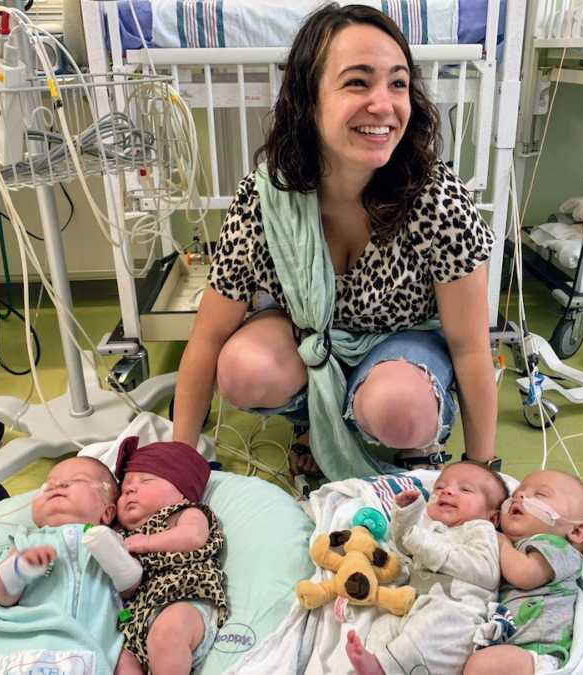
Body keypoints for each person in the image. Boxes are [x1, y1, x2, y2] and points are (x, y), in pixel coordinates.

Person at [171, 3, 498, 481]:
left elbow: (470, 347)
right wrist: (178, 458)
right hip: (311, 340)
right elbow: (209, 336)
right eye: (357, 82)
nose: (383, 105)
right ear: (309, 99)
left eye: (398, 83)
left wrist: (482, 468)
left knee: (397, 407)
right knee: (242, 369)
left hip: (404, 342)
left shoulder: (438, 199)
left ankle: (413, 436)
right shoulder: (267, 198)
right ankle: (314, 422)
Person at [346, 461, 509, 675]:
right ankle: (375, 662)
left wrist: (422, 542)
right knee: (383, 625)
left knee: (433, 627)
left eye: (465, 489)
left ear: (493, 516)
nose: (447, 491)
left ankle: (382, 668)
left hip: (458, 614)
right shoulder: (430, 528)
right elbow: (404, 545)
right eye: (439, 488)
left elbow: (484, 571)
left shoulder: (480, 529)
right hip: (414, 606)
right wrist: (405, 516)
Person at [0, 456, 123, 675]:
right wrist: (19, 568)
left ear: (107, 512)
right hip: (22, 652)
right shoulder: (26, 543)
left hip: (88, 654)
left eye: (78, 480)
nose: (58, 485)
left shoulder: (113, 544)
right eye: (49, 483)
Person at [100, 437, 228, 675]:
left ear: (181, 493)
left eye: (146, 481)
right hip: (134, 619)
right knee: (116, 658)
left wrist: (148, 542)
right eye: (125, 486)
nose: (129, 489)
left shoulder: (184, 512)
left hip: (183, 598)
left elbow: (194, 537)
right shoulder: (121, 533)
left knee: (167, 634)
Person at [463, 470, 583, 675]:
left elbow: (525, 575)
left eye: (540, 495)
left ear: (575, 532)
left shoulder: (558, 547)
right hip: (510, 648)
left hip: (537, 652)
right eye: (517, 493)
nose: (519, 496)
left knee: (482, 666)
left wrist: (501, 543)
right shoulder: (516, 548)